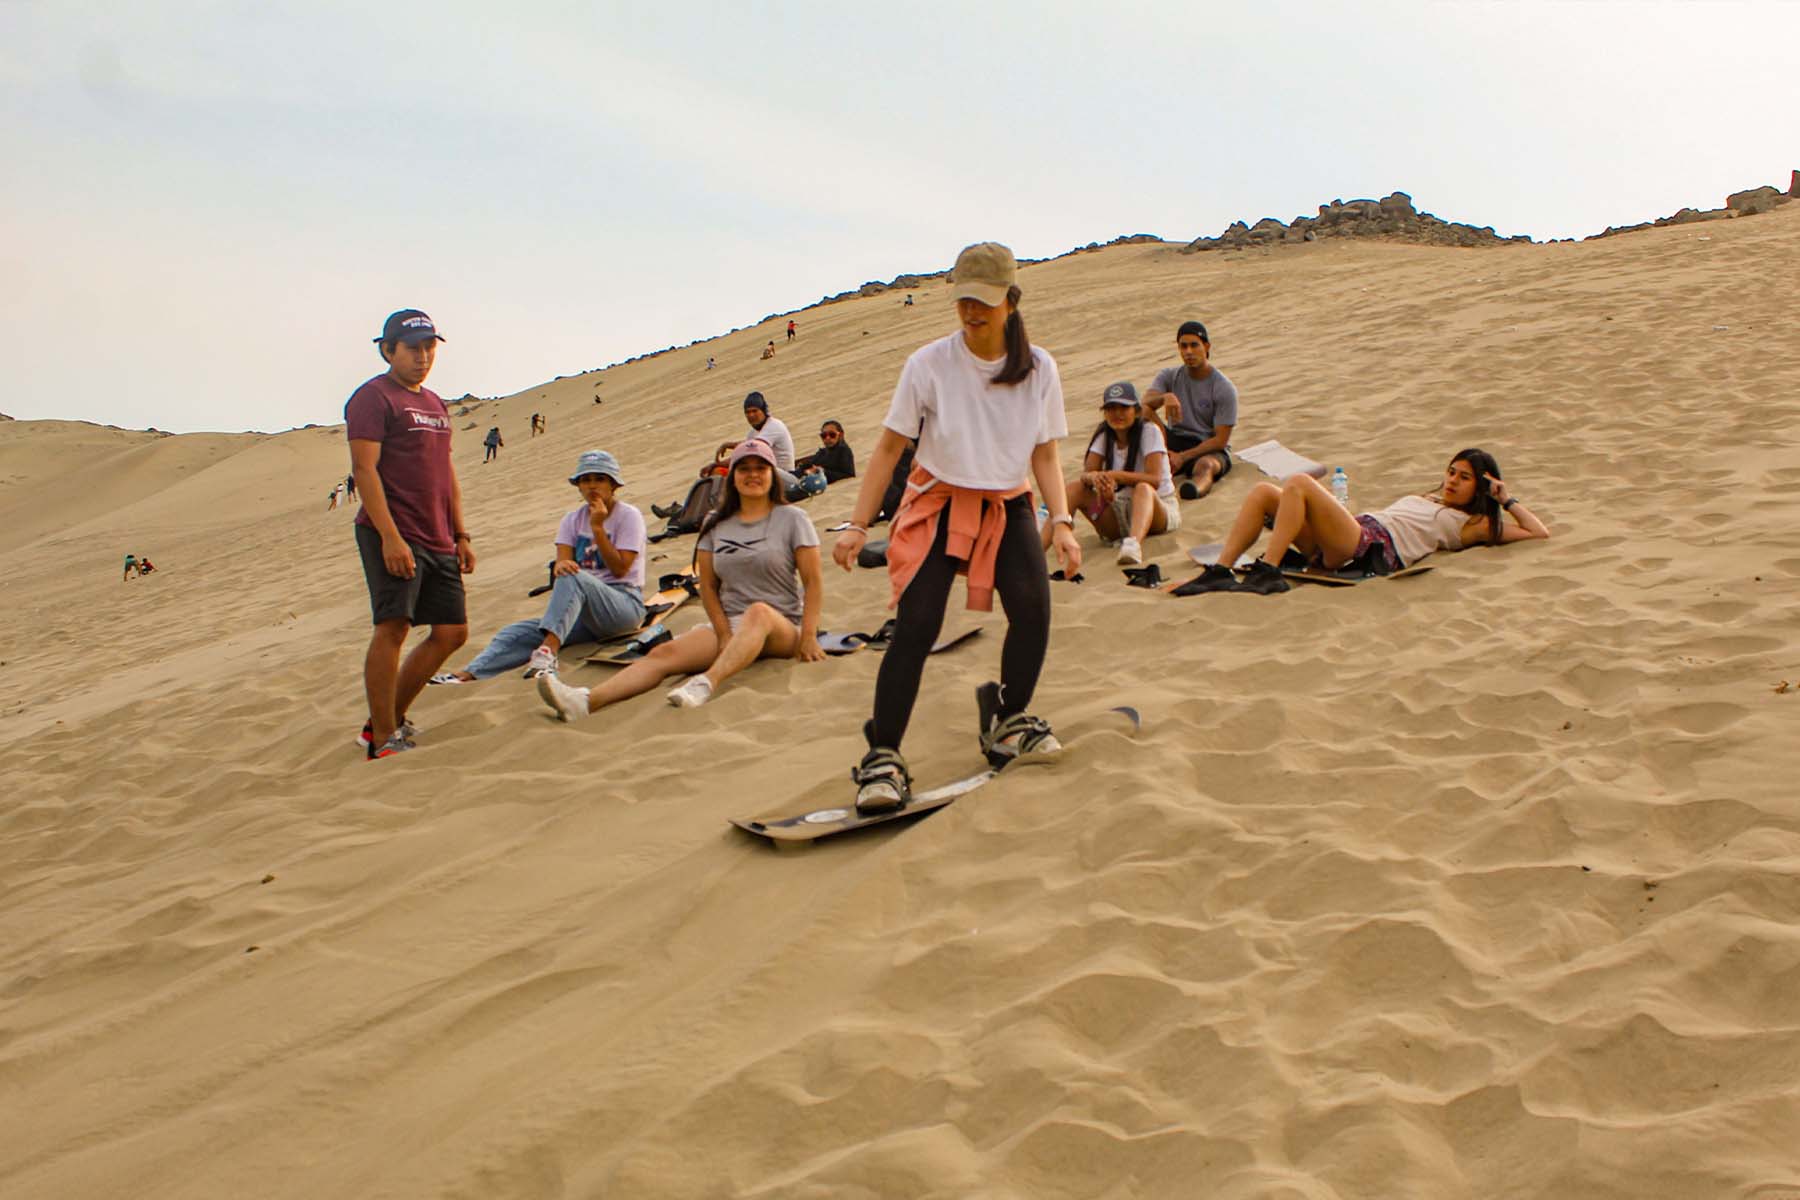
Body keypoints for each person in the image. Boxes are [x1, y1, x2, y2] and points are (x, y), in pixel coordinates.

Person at [831, 241, 1078, 814]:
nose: (972, 313)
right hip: (938, 501)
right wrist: (856, 523)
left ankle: (1008, 718)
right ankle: (883, 757)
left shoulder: (1039, 368)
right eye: (964, 300)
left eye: (984, 303)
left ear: (1011, 301)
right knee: (916, 627)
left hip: (1006, 501)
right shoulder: (929, 364)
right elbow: (891, 446)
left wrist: (1062, 521)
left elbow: (1044, 455)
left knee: (1034, 608)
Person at [536, 439, 823, 720]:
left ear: (773, 475)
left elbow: (813, 582)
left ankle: (705, 683)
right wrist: (723, 634)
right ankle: (586, 702)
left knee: (758, 612)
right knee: (664, 653)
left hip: (782, 626)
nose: (753, 475)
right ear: (732, 477)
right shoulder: (715, 522)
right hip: (732, 624)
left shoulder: (793, 518)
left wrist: (808, 637)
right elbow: (708, 586)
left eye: (761, 468)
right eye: (744, 468)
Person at [347, 309, 473, 759]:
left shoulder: (436, 403)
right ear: (388, 350)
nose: (422, 357)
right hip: (394, 531)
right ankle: (383, 738)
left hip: (438, 532)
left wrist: (461, 533)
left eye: (428, 348)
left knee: (452, 631)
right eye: (412, 349)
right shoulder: (374, 398)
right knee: (394, 627)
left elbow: (445, 470)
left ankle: (384, 717)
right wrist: (390, 537)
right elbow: (364, 470)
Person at [1175, 447, 1551, 596]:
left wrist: (1506, 499)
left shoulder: (1474, 524)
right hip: (1354, 530)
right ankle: (1222, 570)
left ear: (1481, 488)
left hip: (1370, 548)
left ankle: (1268, 569)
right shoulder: (1432, 498)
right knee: (1263, 492)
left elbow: (1538, 532)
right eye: (1452, 472)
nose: (1452, 480)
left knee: (1301, 484)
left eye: (1464, 478)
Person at [437, 450, 647, 683]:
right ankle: (468, 674)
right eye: (586, 480)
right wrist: (563, 566)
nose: (592, 486)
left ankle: (547, 654)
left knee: (572, 575)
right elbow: (562, 564)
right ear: (578, 486)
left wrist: (597, 528)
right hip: (583, 615)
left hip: (623, 606)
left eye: (600, 479)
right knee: (515, 632)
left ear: (613, 485)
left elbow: (620, 569)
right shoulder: (571, 520)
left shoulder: (629, 516)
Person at [1056, 381, 1180, 566]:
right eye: (1111, 409)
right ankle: (1053, 538)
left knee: (1143, 488)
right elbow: (1087, 473)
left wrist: (1117, 476)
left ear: (1136, 411)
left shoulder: (1149, 431)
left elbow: (1154, 480)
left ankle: (1133, 545)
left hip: (1156, 508)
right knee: (1074, 489)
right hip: (1118, 508)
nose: (1117, 414)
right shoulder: (1104, 435)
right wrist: (1098, 480)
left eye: (1124, 408)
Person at [1142, 320, 1237, 499]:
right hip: (1174, 440)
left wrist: (1183, 457)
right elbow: (1145, 403)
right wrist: (1164, 397)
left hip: (1206, 446)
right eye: (1183, 346)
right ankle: (1160, 461)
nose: (1188, 352)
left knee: (1206, 466)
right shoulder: (1169, 376)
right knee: (1143, 411)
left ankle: (1194, 489)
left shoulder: (1223, 388)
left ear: (1206, 346)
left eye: (1194, 345)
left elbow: (1220, 440)